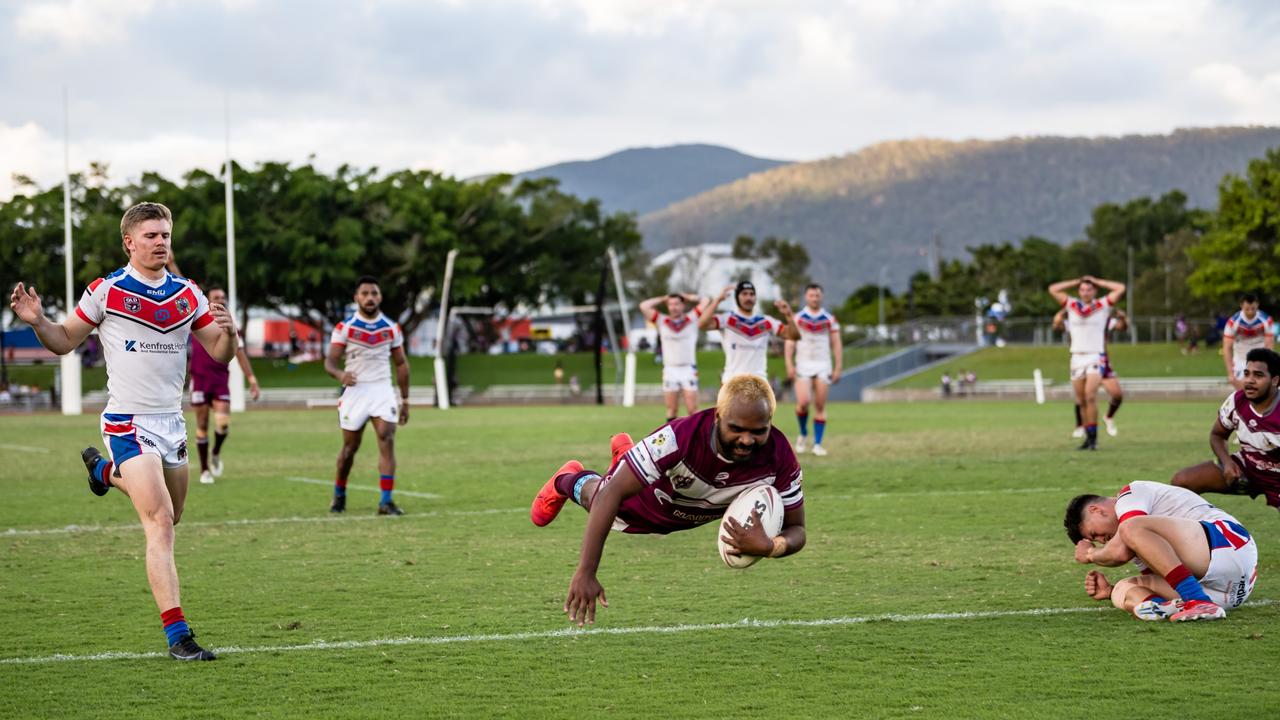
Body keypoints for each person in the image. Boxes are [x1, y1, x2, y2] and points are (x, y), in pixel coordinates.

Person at [9, 201, 238, 660]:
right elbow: (64, 341)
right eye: (151, 236)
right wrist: (38, 322)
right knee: (159, 526)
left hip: (171, 423)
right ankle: (180, 638)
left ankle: (103, 474)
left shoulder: (188, 294)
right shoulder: (105, 291)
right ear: (129, 242)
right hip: (127, 422)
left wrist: (230, 333)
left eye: (166, 235)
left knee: (173, 516)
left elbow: (218, 352)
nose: (161, 243)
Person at [530, 374, 806, 626]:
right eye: (737, 429)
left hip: (682, 509)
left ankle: (627, 459)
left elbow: (798, 530)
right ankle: (567, 479)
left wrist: (771, 546)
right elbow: (609, 496)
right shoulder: (678, 438)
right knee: (603, 495)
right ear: (718, 416)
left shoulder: (780, 456)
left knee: (624, 476)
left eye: (759, 431)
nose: (747, 440)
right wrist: (586, 572)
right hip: (646, 501)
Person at [1063, 480, 1258, 622]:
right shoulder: (1139, 541)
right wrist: (1110, 591)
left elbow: (1119, 552)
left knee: (1131, 527)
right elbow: (1167, 575)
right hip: (1229, 594)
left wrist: (1090, 554)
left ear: (1096, 510)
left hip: (1230, 545)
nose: (1101, 540)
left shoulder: (1130, 494)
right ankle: (1161, 607)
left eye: (1094, 533)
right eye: (1095, 541)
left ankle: (1197, 600)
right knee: (1123, 588)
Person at [324, 276, 410, 515]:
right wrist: (340, 375)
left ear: (380, 297)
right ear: (356, 298)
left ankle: (386, 500)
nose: (369, 298)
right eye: (365, 293)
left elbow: (401, 364)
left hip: (382, 389)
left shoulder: (391, 328)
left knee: (386, 437)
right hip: (356, 392)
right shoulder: (345, 328)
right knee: (350, 448)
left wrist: (405, 400)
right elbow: (329, 363)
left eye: (374, 293)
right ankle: (339, 493)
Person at [1171, 347, 1280, 515]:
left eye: (1258, 375)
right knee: (1182, 482)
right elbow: (1217, 435)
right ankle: (1194, 534)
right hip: (1248, 468)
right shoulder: (1237, 402)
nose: (1249, 381)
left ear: (1275, 380)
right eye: (1247, 374)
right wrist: (1227, 462)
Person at [188, 286, 261, 485]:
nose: (221, 299)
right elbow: (183, 284)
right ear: (208, 300)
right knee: (202, 425)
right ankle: (204, 470)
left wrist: (252, 380)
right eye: (216, 297)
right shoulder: (197, 320)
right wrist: (173, 265)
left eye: (223, 297)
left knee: (223, 423)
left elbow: (240, 353)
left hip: (220, 380)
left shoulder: (230, 326)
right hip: (200, 379)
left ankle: (216, 452)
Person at [1048, 275, 1125, 450]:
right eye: (1082, 289)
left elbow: (1120, 287)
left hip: (1094, 356)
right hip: (1076, 357)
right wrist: (1075, 281)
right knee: (1081, 400)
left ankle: (1094, 439)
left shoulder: (1102, 304)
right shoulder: (1072, 305)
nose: (1085, 292)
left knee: (1091, 395)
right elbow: (1053, 289)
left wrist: (1097, 281)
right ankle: (1088, 437)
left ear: (1094, 291)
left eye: (1089, 289)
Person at [698, 281, 797, 384]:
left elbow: (793, 335)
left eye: (751, 294)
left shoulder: (766, 321)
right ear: (737, 297)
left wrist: (789, 316)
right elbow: (701, 324)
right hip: (732, 381)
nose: (748, 297)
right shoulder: (727, 319)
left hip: (759, 382)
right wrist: (717, 300)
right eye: (744, 294)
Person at [784, 284, 842, 456]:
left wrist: (838, 367)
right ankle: (802, 433)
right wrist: (789, 363)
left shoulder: (829, 319)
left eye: (817, 295)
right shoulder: (798, 318)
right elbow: (790, 341)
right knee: (802, 403)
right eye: (811, 295)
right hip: (803, 364)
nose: (814, 298)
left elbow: (836, 344)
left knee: (819, 404)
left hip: (823, 364)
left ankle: (817, 444)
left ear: (821, 297)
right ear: (806, 297)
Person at [639, 292, 710, 423]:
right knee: (672, 409)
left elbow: (705, 300)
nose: (674, 307)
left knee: (692, 409)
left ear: (683, 305)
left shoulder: (692, 318)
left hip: (688, 369)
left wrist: (689, 297)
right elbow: (644, 306)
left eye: (677, 303)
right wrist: (662, 298)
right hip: (670, 370)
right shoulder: (662, 320)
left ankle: (695, 439)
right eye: (670, 304)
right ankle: (671, 441)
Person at [1056, 306, 1127, 439]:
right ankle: (1082, 427)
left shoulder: (1102, 321)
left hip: (1100, 360)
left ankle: (1108, 417)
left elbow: (1121, 327)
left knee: (1116, 395)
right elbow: (1058, 326)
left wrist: (1123, 317)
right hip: (1081, 360)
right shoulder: (1074, 322)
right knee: (1083, 397)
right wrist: (1062, 313)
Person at [1222, 293, 1274, 391]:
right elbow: (1227, 347)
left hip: (1260, 358)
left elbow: (1269, 345)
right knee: (1243, 392)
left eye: (1253, 309)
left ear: (1257, 305)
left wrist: (1268, 365)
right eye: (1247, 309)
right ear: (1241, 306)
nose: (1250, 312)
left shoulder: (1266, 320)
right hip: (1240, 360)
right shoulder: (1233, 322)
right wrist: (1230, 374)